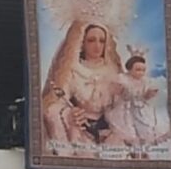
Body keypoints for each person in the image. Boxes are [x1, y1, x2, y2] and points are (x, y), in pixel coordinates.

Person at [41, 22, 123, 157]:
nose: (97, 46)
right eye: (91, 40)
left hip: (110, 129)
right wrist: (71, 113)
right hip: (81, 128)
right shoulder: (73, 70)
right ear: (82, 43)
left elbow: (121, 103)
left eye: (102, 41)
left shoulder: (113, 72)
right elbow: (58, 100)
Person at [105, 46, 162, 158]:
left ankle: (143, 151)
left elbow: (144, 96)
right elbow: (117, 92)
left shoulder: (145, 81)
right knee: (129, 130)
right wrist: (122, 90)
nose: (141, 73)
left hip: (140, 108)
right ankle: (132, 150)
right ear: (130, 69)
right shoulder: (123, 79)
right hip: (125, 108)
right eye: (137, 69)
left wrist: (149, 94)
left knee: (144, 128)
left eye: (143, 70)